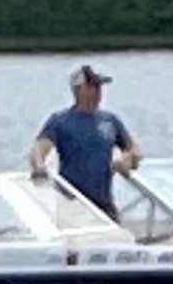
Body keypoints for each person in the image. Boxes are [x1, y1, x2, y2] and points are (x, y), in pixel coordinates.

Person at [30, 65, 138, 218]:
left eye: (99, 87)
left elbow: (134, 149)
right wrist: (39, 166)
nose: (98, 92)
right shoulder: (60, 121)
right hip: (72, 204)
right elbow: (39, 148)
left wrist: (126, 159)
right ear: (78, 90)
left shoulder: (110, 120)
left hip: (103, 204)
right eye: (93, 87)